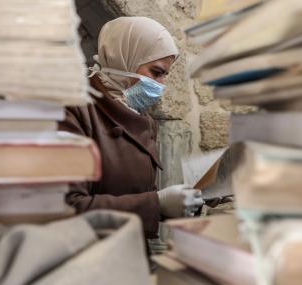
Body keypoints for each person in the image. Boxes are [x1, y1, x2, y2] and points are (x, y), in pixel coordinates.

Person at [58, 17, 203, 238]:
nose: (161, 85)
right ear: (122, 58)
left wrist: (182, 201)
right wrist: (156, 204)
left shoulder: (141, 117)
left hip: (130, 252)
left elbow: (137, 191)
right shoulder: (74, 110)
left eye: (165, 74)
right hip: (88, 258)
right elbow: (67, 208)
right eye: (156, 72)